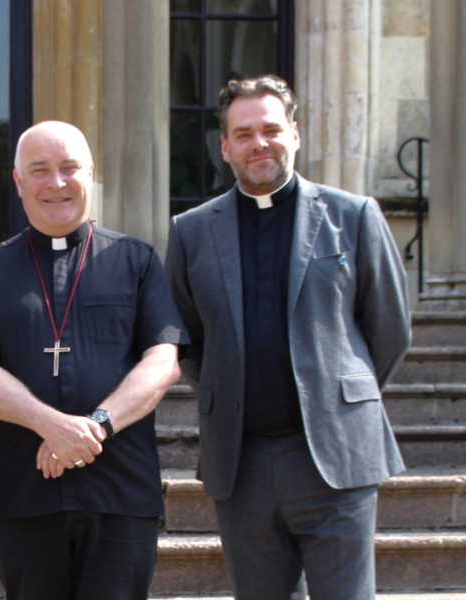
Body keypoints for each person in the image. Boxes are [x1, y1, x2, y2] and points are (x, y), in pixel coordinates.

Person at [164, 75, 411, 600]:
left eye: (272, 130)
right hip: (242, 461)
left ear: (294, 135)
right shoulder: (190, 232)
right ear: (225, 146)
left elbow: (388, 328)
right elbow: (187, 337)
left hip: (335, 455)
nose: (260, 144)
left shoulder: (354, 216)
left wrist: (343, 395)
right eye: (245, 133)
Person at [0, 120, 188, 600]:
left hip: (120, 490)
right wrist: (50, 425)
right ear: (17, 181)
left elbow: (164, 361)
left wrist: (93, 426)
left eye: (69, 168)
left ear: (90, 173)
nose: (56, 183)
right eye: (40, 170)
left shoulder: (137, 261)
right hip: (25, 493)